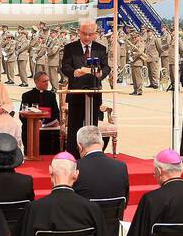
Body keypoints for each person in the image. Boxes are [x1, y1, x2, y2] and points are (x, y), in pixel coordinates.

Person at [60, 19, 110, 156]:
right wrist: (75, 72)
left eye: (90, 34)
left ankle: (92, 154)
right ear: (79, 33)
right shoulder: (70, 48)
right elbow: (65, 67)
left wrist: (100, 74)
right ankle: (72, 155)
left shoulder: (100, 49)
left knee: (92, 127)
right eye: (84, 34)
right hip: (76, 92)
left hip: (93, 92)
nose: (87, 37)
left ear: (95, 34)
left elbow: (106, 67)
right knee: (74, 126)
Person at [73, 124, 130, 204]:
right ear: (102, 143)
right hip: (113, 216)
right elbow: (125, 201)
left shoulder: (75, 167)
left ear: (80, 147)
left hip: (84, 215)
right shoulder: (121, 167)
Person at [20, 69, 62, 157]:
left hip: (49, 125)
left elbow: (56, 113)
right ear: (36, 82)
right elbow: (22, 114)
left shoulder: (51, 95)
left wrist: (46, 123)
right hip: (32, 126)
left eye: (48, 81)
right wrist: (34, 123)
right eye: (44, 81)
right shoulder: (27, 95)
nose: (47, 83)